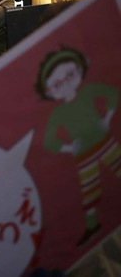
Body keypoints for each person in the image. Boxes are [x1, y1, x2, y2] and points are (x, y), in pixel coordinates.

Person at [36, 47, 119, 247]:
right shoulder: (58, 113)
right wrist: (69, 147)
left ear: (80, 70)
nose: (65, 84)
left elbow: (112, 93)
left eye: (70, 75)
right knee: (89, 192)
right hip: (83, 154)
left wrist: (107, 119)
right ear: (49, 91)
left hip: (105, 142)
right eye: (57, 84)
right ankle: (92, 226)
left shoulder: (87, 91)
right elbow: (49, 141)